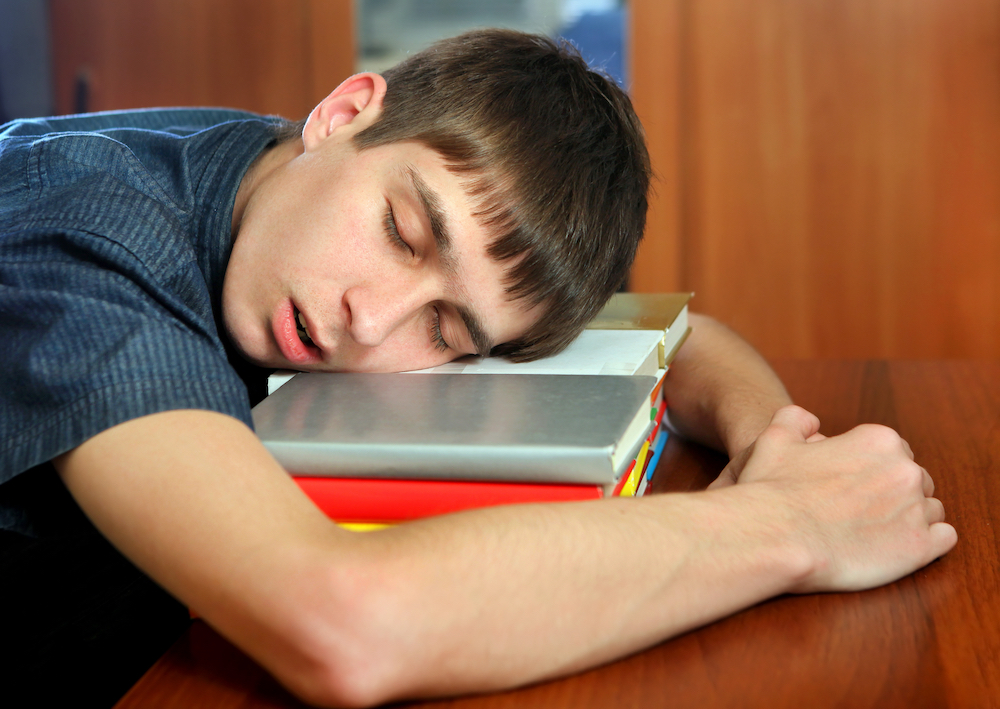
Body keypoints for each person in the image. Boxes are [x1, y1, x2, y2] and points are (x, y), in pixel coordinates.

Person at [0, 29, 955, 707]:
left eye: (449, 331)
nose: (368, 326)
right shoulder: (83, 235)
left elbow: (682, 336)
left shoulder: (293, 170)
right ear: (344, 111)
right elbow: (340, 625)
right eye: (402, 232)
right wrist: (788, 523)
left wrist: (773, 441)